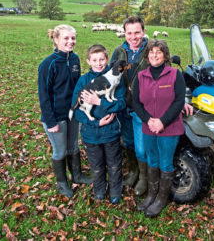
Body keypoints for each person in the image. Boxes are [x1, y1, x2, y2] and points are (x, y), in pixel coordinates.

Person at [38, 24, 92, 199]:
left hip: (72, 113)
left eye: (73, 38)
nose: (70, 42)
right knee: (60, 151)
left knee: (73, 146)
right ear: (56, 39)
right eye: (66, 38)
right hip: (56, 117)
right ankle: (62, 183)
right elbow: (44, 95)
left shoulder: (75, 59)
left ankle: (77, 175)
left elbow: (77, 86)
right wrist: (50, 121)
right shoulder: (48, 64)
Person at [132, 39, 185, 218]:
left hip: (169, 128)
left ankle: (161, 199)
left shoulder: (175, 75)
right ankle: (151, 195)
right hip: (148, 127)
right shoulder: (141, 77)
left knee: (165, 163)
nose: (155, 55)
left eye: (159, 52)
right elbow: (136, 103)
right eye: (151, 52)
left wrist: (162, 121)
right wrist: (149, 120)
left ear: (165, 55)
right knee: (152, 161)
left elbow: (179, 101)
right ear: (147, 55)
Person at [72, 44, 126, 204]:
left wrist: (99, 101)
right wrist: (95, 122)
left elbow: (121, 103)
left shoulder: (115, 80)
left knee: (114, 163)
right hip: (91, 134)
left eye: (102, 59)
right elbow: (76, 108)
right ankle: (100, 189)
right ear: (88, 61)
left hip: (111, 132)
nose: (98, 63)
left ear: (107, 60)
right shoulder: (83, 81)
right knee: (96, 165)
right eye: (94, 60)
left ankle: (116, 191)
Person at [110, 16, 150, 196]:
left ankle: (143, 177)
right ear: (124, 33)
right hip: (122, 106)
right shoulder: (119, 51)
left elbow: (166, 75)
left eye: (137, 32)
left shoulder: (151, 50)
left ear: (143, 31)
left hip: (141, 108)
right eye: (129, 33)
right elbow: (109, 75)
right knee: (128, 141)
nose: (133, 37)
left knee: (141, 147)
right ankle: (133, 171)